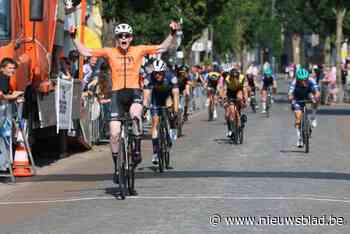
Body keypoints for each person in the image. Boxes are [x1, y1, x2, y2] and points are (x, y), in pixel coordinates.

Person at [72, 21, 180, 182]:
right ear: (116, 38)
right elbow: (86, 51)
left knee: (135, 115)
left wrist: (172, 33)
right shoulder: (109, 51)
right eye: (121, 36)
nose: (124, 38)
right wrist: (73, 37)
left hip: (134, 91)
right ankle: (117, 166)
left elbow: (161, 48)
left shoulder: (139, 50)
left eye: (127, 36)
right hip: (116, 94)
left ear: (131, 38)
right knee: (114, 134)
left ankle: (136, 149)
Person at [143, 59, 179, 164]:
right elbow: (146, 96)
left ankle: (172, 127)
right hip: (155, 98)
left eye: (160, 73)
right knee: (155, 123)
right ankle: (155, 153)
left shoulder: (171, 77)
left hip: (167, 96)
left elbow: (176, 95)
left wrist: (175, 111)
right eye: (156, 73)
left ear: (164, 72)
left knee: (171, 111)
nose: (158, 75)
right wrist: (145, 108)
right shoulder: (148, 78)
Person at [288, 68, 320, 147]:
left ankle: (313, 117)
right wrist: (290, 97)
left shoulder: (311, 80)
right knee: (298, 117)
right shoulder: (294, 82)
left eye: (305, 80)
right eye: (301, 80)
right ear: (298, 79)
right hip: (297, 98)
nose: (303, 82)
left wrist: (316, 96)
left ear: (307, 78)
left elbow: (317, 92)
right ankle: (299, 139)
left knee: (316, 99)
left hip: (308, 95)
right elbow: (290, 93)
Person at [218, 69, 248, 137]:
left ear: (238, 77)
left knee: (239, 97)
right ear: (230, 77)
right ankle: (231, 129)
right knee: (231, 111)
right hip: (230, 92)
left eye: (236, 78)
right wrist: (223, 98)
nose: (234, 79)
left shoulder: (242, 78)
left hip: (238, 90)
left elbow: (245, 90)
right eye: (233, 78)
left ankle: (240, 118)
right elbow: (224, 89)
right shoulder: (227, 79)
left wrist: (245, 100)